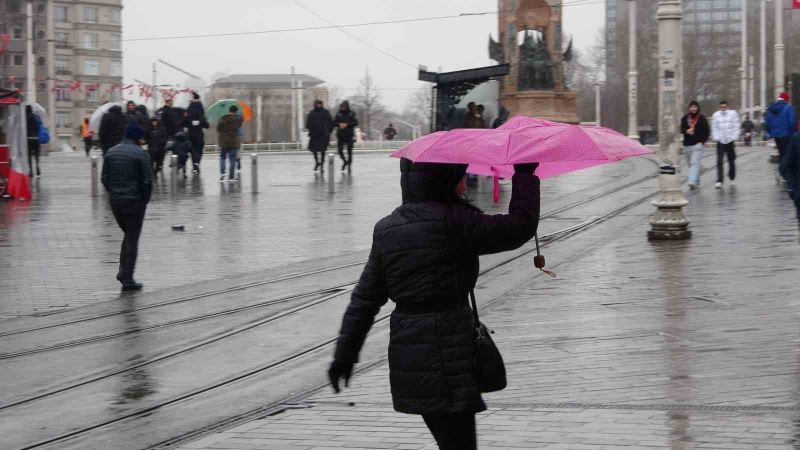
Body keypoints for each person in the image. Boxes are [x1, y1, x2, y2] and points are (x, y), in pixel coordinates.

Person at [328, 159, 541, 450]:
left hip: (410, 353)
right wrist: (525, 174)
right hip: (449, 349)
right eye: (459, 176)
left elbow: (365, 300)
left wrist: (345, 354)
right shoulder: (455, 221)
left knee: (451, 441)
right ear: (442, 180)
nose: (465, 183)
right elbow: (518, 227)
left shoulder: (387, 228)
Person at [101, 123, 152, 291]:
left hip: (115, 202)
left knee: (128, 235)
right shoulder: (141, 154)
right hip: (134, 201)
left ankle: (124, 272)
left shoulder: (111, 152)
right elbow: (147, 181)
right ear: (137, 137)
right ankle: (127, 277)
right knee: (132, 238)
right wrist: (144, 200)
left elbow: (104, 178)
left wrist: (113, 193)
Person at [680, 100, 710, 189]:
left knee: (694, 162)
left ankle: (691, 181)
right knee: (691, 164)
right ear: (689, 108)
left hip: (698, 144)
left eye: (695, 107)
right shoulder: (685, 118)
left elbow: (707, 131)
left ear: (698, 108)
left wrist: (702, 141)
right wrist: (686, 131)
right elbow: (681, 129)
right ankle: (697, 181)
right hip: (687, 144)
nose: (693, 108)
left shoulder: (702, 118)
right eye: (692, 107)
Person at [711, 100, 740, 189]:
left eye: (724, 107)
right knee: (719, 161)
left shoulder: (733, 114)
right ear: (719, 108)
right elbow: (714, 127)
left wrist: (734, 137)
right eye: (721, 107)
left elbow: (737, 125)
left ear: (727, 107)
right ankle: (719, 181)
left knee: (731, 160)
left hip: (730, 141)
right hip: (720, 141)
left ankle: (732, 177)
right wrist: (716, 137)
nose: (722, 109)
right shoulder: (716, 115)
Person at [765, 92, 798, 166]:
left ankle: (782, 170)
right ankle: (785, 172)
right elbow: (792, 122)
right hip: (787, 134)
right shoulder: (789, 108)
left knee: (781, 152)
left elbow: (767, 122)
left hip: (776, 135)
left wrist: (770, 133)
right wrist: (794, 133)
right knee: (786, 153)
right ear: (786, 99)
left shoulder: (771, 108)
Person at [216, 105, 243, 181]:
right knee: (232, 159)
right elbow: (240, 125)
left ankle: (222, 173)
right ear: (236, 111)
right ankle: (231, 177)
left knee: (222, 157)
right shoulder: (238, 119)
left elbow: (218, 129)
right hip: (233, 141)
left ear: (229, 110)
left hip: (224, 141)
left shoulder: (222, 118)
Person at [306, 99, 333, 172]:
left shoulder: (325, 112)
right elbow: (308, 123)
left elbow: (330, 122)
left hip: (323, 135)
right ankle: (317, 162)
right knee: (314, 150)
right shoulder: (312, 113)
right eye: (317, 104)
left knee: (322, 151)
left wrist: (329, 131)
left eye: (320, 104)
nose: (319, 105)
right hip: (314, 135)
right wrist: (310, 129)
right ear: (315, 104)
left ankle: (322, 166)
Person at [185, 92, 209, 174]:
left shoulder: (189, 107)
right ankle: (197, 163)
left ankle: (195, 166)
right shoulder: (200, 107)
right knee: (199, 149)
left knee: (192, 150)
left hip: (191, 133)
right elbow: (205, 122)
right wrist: (203, 123)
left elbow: (186, 120)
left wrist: (190, 123)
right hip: (199, 133)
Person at [779, 131, 800, 226]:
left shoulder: (796, 139)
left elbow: (784, 167)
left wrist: (792, 188)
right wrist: (792, 189)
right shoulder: (796, 139)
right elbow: (785, 167)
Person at [335, 100, 358, 172]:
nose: (343, 108)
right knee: (340, 151)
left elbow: (355, 122)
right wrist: (339, 124)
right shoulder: (338, 114)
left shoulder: (352, 113)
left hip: (349, 135)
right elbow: (334, 122)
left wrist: (347, 124)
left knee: (349, 151)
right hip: (341, 135)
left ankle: (349, 166)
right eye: (342, 106)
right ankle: (345, 162)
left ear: (347, 106)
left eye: (344, 106)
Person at [25, 105, 42, 177]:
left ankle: (31, 171)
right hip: (36, 138)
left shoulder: (25, 118)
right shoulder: (36, 117)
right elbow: (40, 124)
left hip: (28, 139)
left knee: (29, 155)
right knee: (36, 154)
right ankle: (37, 167)